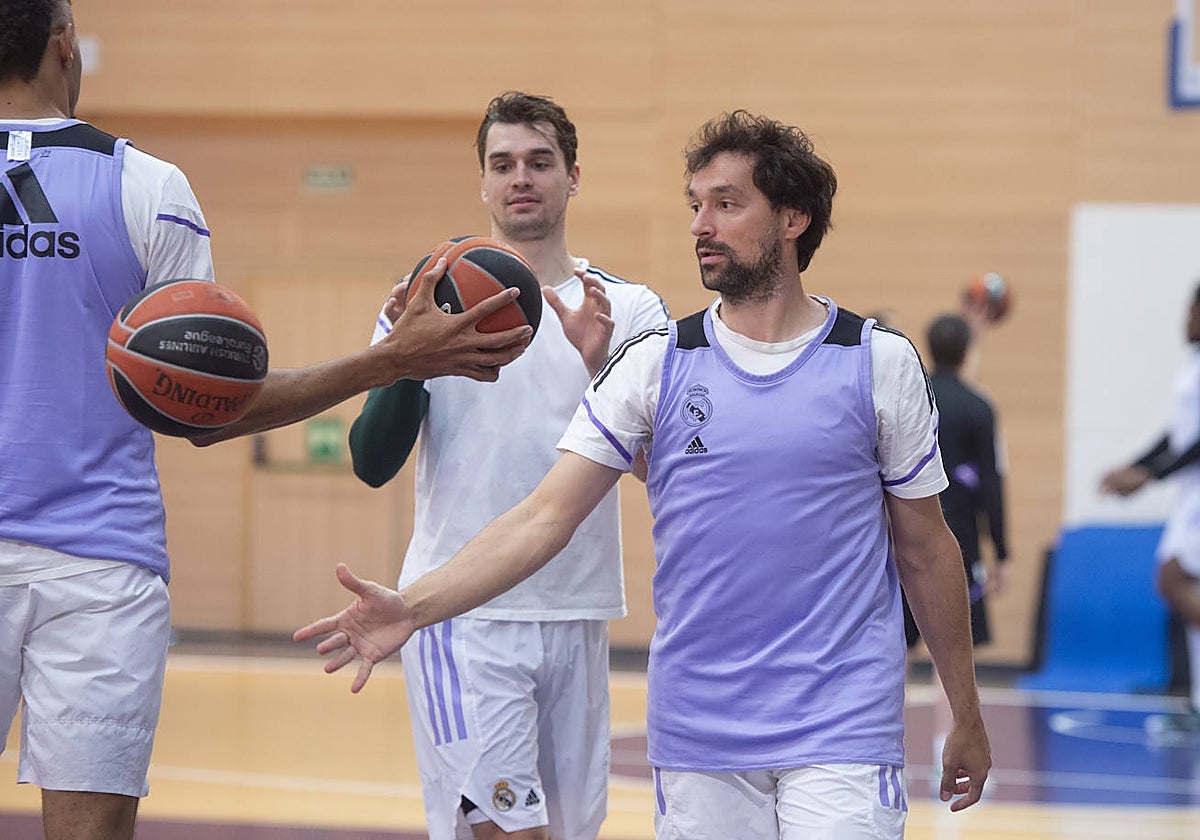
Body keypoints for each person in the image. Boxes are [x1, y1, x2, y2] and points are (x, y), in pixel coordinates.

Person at [297, 110, 992, 839]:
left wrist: (965, 716)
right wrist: (412, 607)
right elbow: (543, 517)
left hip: (841, 724)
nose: (702, 224)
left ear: (793, 218)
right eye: (696, 205)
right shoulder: (656, 362)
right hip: (698, 730)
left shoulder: (878, 361)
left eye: (726, 204)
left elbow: (926, 549)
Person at [0, 4, 530, 839]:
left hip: (99, 562)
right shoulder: (148, 187)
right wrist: (388, 360)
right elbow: (208, 411)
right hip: (100, 567)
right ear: (65, 44)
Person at [346, 91, 668, 840]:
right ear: (483, 184)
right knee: (504, 832)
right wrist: (404, 355)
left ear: (573, 176)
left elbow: (668, 474)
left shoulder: (631, 310)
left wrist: (602, 369)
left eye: (539, 162)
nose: (521, 177)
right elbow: (369, 462)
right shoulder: (431, 299)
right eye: (503, 164)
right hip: (461, 614)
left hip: (579, 611)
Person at [1100, 281, 1200, 732]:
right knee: (1184, 581)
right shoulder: (1192, 365)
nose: (1185, 319)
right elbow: (1178, 434)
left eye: (1191, 310)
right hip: (1189, 495)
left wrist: (1149, 476)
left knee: (1173, 578)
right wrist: (1137, 466)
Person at [903, 313, 1009, 651]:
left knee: (901, 640)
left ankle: (895, 707)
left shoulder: (912, 398)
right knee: (954, 641)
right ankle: (949, 708)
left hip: (907, 532)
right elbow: (992, 483)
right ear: (966, 352)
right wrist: (1001, 551)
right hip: (960, 539)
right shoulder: (978, 408)